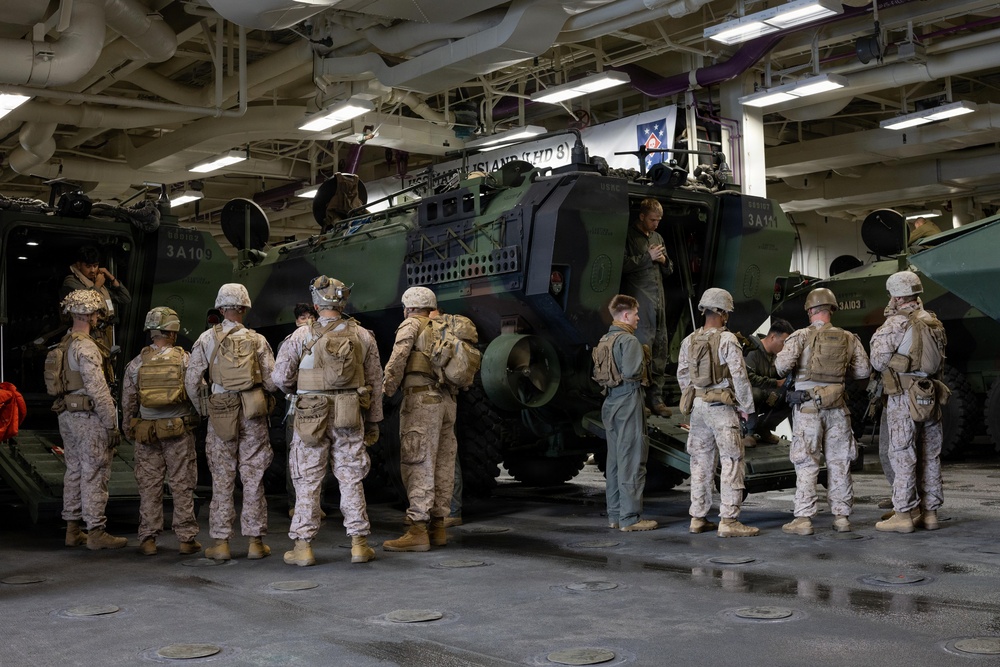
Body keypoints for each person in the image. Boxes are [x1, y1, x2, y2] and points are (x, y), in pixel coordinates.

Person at [272, 276, 383, 566]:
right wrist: (373, 421)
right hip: (349, 411)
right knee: (350, 476)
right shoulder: (363, 336)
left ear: (315, 303)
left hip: (311, 413)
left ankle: (303, 547)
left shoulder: (300, 336)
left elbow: (280, 378)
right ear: (344, 301)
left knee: (307, 479)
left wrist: (299, 391)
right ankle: (359, 544)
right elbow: (375, 382)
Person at [185, 283, 277, 561]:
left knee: (222, 479)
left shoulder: (205, 339)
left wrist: (206, 408)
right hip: (253, 412)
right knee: (253, 477)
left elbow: (191, 381)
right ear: (245, 308)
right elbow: (273, 381)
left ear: (221, 308)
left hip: (221, 412)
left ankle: (222, 544)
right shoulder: (257, 340)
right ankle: (255, 543)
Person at [774, 289, 870, 535]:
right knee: (839, 463)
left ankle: (804, 520)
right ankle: (841, 518)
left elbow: (781, 367)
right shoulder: (849, 338)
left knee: (807, 463)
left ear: (810, 311)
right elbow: (862, 372)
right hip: (838, 408)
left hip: (808, 409)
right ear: (832, 310)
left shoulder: (800, 336)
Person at [381, 286, 460, 552]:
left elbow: (398, 360)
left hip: (422, 402)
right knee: (442, 463)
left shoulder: (411, 325)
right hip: (448, 402)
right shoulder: (446, 327)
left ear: (408, 307)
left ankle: (417, 530)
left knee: (418, 463)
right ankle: (437, 527)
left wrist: (385, 392)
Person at [677, 288, 758, 537]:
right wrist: (747, 408)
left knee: (700, 463)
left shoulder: (689, 340)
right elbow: (740, 377)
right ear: (722, 313)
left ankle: (698, 518)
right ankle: (729, 521)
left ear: (704, 311)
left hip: (699, 408)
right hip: (722, 408)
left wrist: (696, 396)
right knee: (731, 461)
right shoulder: (727, 339)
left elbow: (682, 375)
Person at [870, 271, 948, 534]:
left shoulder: (894, 324)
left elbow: (878, 361)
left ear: (896, 295)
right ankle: (930, 514)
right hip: (931, 394)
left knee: (903, 454)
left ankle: (903, 514)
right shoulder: (934, 322)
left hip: (904, 397)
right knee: (930, 455)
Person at [121, 307, 201, 556]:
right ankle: (186, 539)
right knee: (182, 483)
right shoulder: (185, 360)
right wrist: (197, 417)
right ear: (174, 332)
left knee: (149, 486)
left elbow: (128, 400)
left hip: (147, 432)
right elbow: (197, 392)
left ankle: (148, 539)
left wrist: (128, 427)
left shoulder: (137, 363)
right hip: (177, 430)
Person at [55, 290, 128, 550]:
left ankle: (73, 529)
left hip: (67, 416)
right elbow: (98, 389)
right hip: (88, 418)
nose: (98, 317)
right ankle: (96, 531)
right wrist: (112, 425)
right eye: (96, 312)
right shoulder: (86, 346)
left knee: (73, 471)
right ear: (88, 314)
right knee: (95, 472)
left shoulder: (64, 342)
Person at [595, 294, 657, 532]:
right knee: (631, 459)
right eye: (636, 313)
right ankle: (630, 518)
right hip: (629, 399)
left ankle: (614, 515)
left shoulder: (605, 340)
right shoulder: (629, 342)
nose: (638, 318)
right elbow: (632, 372)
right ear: (626, 315)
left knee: (614, 461)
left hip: (610, 402)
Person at [622, 198, 673, 417]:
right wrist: (647, 257)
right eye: (653, 220)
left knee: (660, 351)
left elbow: (669, 270)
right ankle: (638, 400)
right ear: (642, 216)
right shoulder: (628, 236)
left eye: (659, 220)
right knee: (642, 353)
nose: (656, 224)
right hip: (640, 306)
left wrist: (663, 261)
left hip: (659, 304)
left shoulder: (658, 237)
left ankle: (656, 399)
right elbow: (621, 265)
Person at [59, 245, 131, 352]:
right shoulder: (71, 282)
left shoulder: (98, 283)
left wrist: (111, 277)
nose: (93, 270)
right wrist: (97, 285)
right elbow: (85, 302)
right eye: (88, 266)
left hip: (104, 333)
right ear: (79, 265)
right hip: (86, 333)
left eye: (95, 266)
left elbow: (125, 298)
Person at [743, 318, 795, 446]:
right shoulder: (751, 351)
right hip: (744, 399)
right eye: (783, 342)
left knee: (793, 397)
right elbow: (747, 379)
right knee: (755, 393)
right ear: (772, 337)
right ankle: (747, 432)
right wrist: (776, 383)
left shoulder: (775, 357)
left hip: (766, 395)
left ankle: (764, 426)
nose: (784, 347)